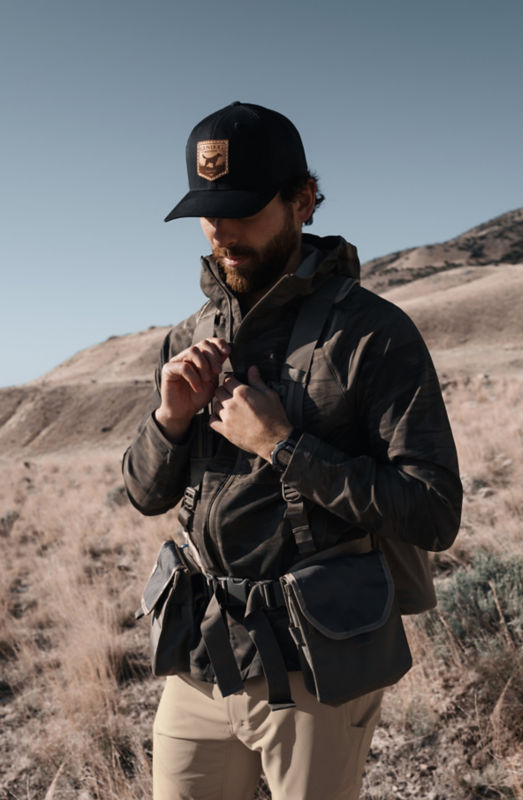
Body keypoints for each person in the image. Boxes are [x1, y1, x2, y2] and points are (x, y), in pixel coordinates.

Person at [123, 101, 462, 800]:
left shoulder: (372, 335)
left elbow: (433, 512)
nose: (221, 231)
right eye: (207, 213)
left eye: (243, 210)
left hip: (317, 667)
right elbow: (145, 494)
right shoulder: (187, 336)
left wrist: (283, 446)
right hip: (202, 658)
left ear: (303, 201)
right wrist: (170, 420)